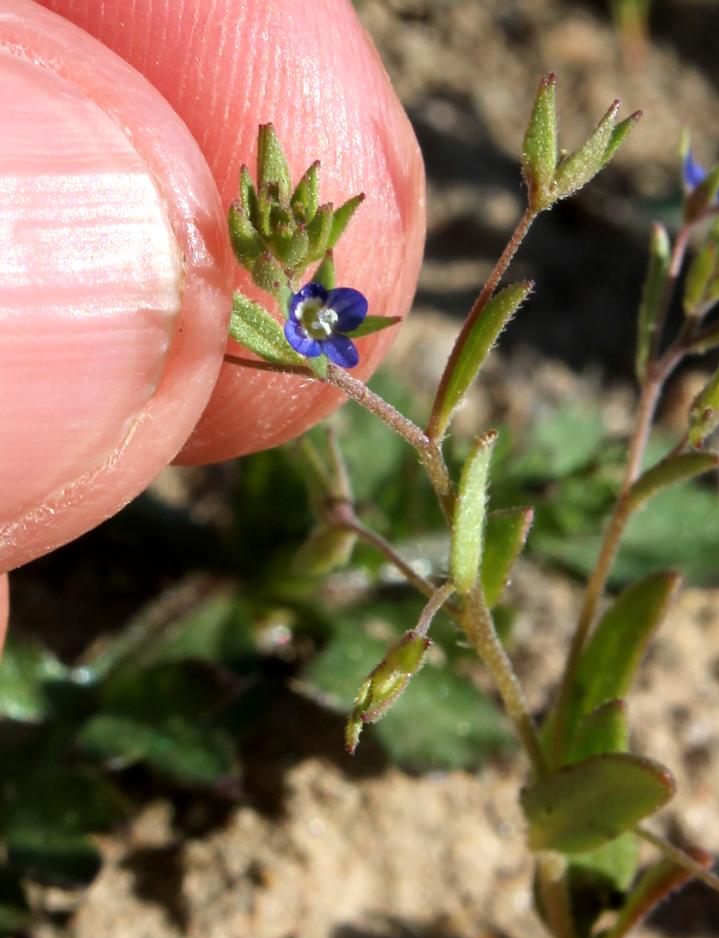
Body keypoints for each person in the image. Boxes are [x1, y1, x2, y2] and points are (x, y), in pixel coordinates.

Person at [0, 0, 426, 649]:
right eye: (309, 315)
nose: (310, 318)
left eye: (315, 315)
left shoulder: (313, 323)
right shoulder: (299, 319)